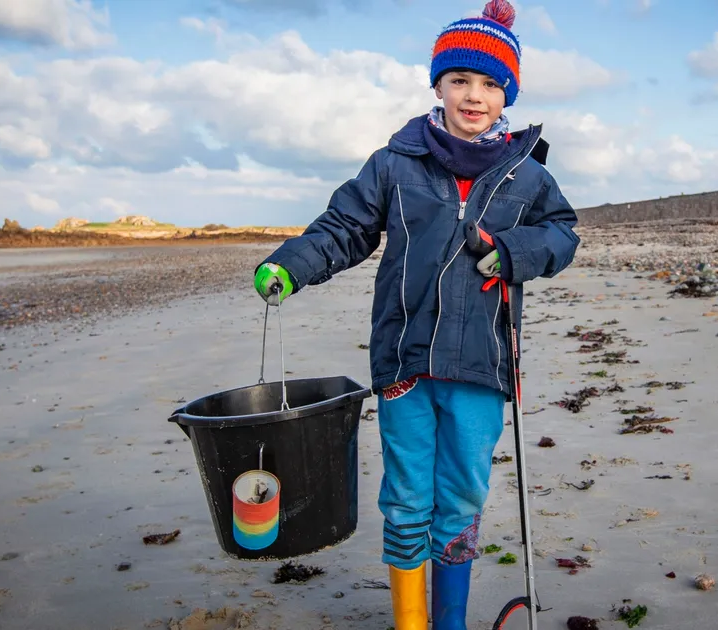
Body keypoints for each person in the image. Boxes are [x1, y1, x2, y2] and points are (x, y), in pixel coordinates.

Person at [252, 0, 580, 626]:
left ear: (506, 94)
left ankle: (449, 620)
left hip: (482, 367)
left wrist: (513, 252)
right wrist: (290, 266)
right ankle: (410, 621)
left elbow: (563, 234)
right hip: (404, 360)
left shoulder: (528, 174)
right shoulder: (395, 162)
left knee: (460, 498)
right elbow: (345, 227)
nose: (473, 95)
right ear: (438, 84)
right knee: (406, 499)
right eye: (460, 79)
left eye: (489, 83)